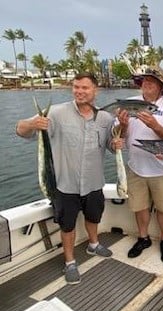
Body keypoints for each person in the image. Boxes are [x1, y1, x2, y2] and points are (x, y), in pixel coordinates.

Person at [15, 73, 120, 285]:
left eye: (85, 88)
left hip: (93, 182)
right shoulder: (56, 112)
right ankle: (70, 262)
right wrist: (34, 124)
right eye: (76, 87)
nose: (79, 91)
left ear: (95, 91)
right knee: (67, 226)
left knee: (93, 217)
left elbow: (110, 144)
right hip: (65, 185)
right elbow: (20, 130)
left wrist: (117, 144)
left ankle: (93, 244)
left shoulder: (105, 118)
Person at [116, 66, 163, 263]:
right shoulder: (129, 104)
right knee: (139, 206)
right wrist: (123, 125)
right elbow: (118, 133)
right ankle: (143, 238)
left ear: (161, 86)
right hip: (135, 167)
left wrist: (154, 125)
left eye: (152, 81)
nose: (146, 83)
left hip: (161, 170)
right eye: (144, 80)